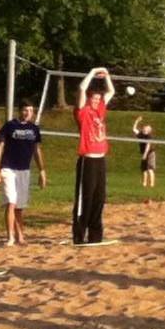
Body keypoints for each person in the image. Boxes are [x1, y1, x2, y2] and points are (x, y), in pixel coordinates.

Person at [0, 99, 47, 246]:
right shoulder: (10, 126)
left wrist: (42, 170)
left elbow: (37, 150)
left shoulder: (34, 129)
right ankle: (10, 237)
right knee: (11, 202)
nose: (28, 113)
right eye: (25, 110)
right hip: (8, 168)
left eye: (30, 111)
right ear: (20, 111)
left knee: (19, 206)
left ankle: (20, 236)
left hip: (24, 170)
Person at [72, 67, 115, 244]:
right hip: (87, 159)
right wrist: (92, 72)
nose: (97, 100)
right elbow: (82, 89)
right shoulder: (84, 112)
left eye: (99, 98)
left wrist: (107, 75)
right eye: (94, 98)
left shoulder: (100, 111)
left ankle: (95, 235)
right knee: (86, 198)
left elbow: (111, 91)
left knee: (99, 198)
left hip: (100, 159)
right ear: (89, 99)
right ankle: (79, 235)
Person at [132, 116, 156, 188]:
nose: (144, 129)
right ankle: (144, 184)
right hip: (144, 154)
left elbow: (148, 146)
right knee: (144, 169)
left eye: (146, 129)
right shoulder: (141, 135)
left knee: (150, 169)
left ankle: (152, 185)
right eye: (144, 128)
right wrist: (137, 121)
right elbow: (134, 129)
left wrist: (145, 154)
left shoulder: (149, 136)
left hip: (150, 153)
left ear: (149, 131)